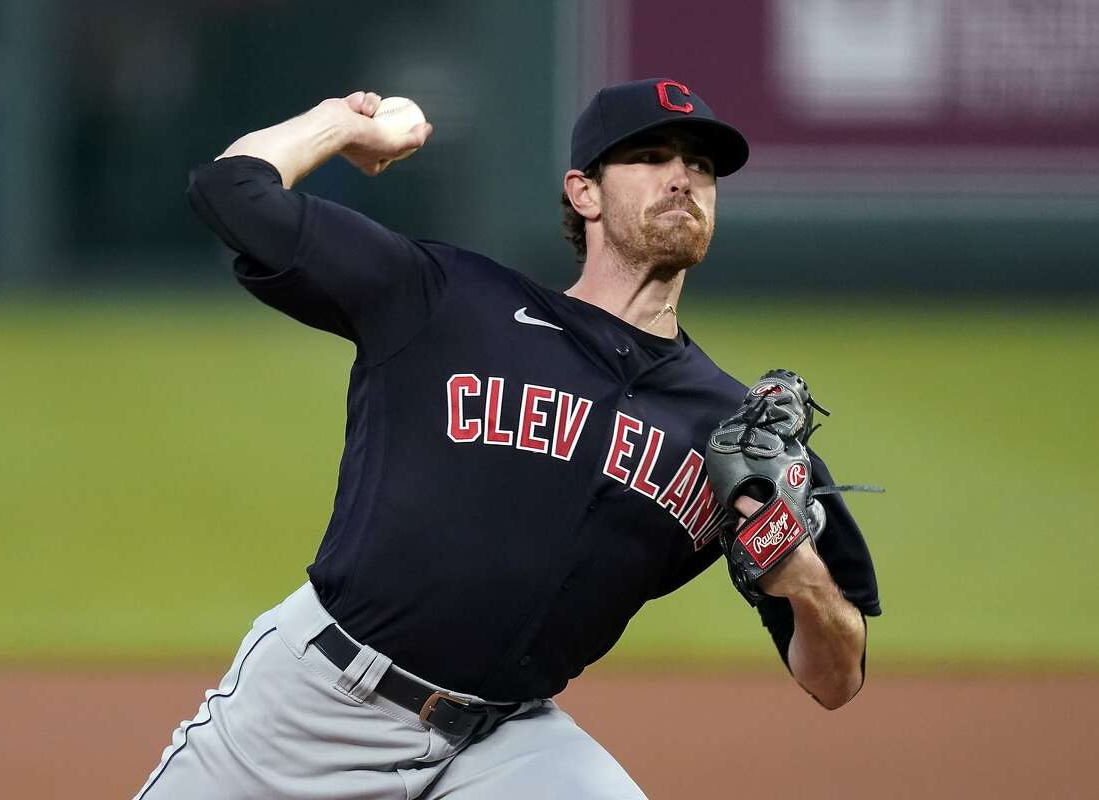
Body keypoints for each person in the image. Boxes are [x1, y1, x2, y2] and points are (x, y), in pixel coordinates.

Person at [136, 78, 880, 799]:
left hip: (502, 746)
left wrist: (799, 573)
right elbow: (231, 189)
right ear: (583, 192)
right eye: (651, 158)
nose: (682, 177)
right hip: (316, 709)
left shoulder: (738, 431)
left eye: (702, 167)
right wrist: (344, 125)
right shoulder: (451, 301)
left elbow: (835, 679)